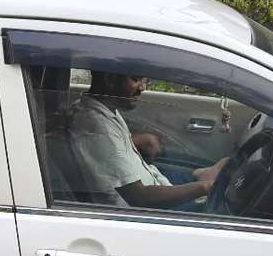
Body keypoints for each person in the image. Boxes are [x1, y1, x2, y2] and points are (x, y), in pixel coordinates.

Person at [68, 71, 228, 209]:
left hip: (151, 179)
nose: (142, 88)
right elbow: (140, 199)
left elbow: (108, 151)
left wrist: (136, 141)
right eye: (136, 79)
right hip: (150, 212)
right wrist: (205, 187)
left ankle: (200, 174)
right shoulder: (96, 127)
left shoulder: (99, 111)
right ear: (110, 79)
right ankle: (201, 176)